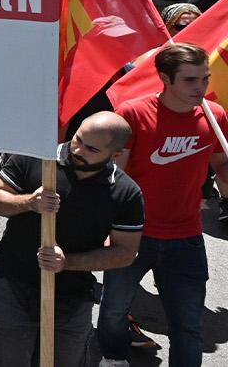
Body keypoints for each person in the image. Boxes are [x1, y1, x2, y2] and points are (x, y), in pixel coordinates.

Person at [98, 42, 228, 367]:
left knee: (188, 326)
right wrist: (104, 227)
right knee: (113, 312)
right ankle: (114, 358)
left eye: (205, 79)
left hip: (187, 237)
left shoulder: (215, 117)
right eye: (190, 80)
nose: (200, 88)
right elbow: (114, 177)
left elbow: (221, 166)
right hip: (131, 234)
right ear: (165, 78)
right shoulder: (132, 114)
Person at [0, 112, 143, 366]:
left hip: (73, 297)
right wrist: (29, 202)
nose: (77, 150)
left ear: (116, 154)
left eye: (91, 149)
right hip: (13, 283)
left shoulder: (125, 192)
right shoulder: (37, 160)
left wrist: (67, 262)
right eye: (78, 139)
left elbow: (124, 252)